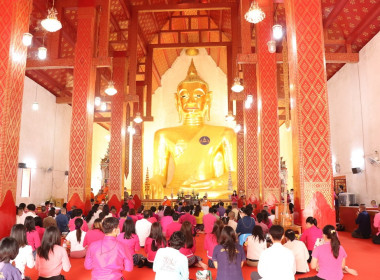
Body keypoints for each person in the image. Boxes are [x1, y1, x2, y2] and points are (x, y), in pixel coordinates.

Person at [149, 59, 237, 199]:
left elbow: (234, 175)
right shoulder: (163, 135)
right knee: (160, 194)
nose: (190, 101)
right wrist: (155, 181)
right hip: (176, 190)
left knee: (227, 192)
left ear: (208, 98)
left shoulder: (225, 134)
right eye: (184, 95)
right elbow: (160, 174)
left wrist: (208, 183)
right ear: (177, 99)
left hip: (208, 190)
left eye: (197, 95)